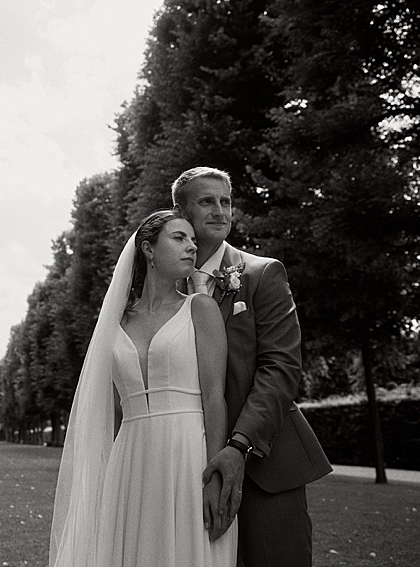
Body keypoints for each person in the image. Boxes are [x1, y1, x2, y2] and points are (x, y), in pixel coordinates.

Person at [50, 209, 237, 567]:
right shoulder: (114, 322)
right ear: (148, 250)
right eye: (179, 238)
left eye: (193, 241)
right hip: (130, 459)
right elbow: (112, 410)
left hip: (187, 453)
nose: (191, 248)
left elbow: (215, 397)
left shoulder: (201, 308)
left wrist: (215, 474)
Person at [171, 166, 333, 567]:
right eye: (206, 201)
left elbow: (281, 369)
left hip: (265, 465)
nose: (220, 211)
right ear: (180, 210)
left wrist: (239, 446)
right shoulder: (164, 288)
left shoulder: (262, 274)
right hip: (184, 464)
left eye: (225, 202)